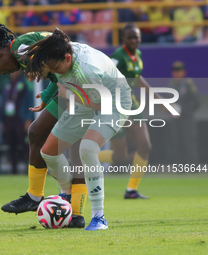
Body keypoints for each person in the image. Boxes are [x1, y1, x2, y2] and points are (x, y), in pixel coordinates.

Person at [0, 21, 88, 228]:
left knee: (74, 147)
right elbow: (56, 71)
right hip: (71, 88)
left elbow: (61, 50)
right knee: (37, 133)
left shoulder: (21, 47)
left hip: (83, 88)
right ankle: (35, 196)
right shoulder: (23, 53)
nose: (3, 73)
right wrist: (47, 94)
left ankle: (77, 213)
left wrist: (47, 91)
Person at [21, 29, 132, 230]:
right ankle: (67, 195)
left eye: (55, 68)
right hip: (83, 98)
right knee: (48, 152)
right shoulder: (61, 52)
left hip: (114, 103)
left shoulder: (88, 71)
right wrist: (51, 94)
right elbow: (67, 83)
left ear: (68, 57)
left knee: (87, 148)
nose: (54, 73)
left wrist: (67, 93)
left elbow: (102, 105)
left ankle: (99, 217)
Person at [99, 23, 160, 199]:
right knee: (119, 156)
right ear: (123, 39)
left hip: (132, 105)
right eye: (130, 37)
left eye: (136, 37)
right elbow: (105, 73)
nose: (134, 40)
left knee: (145, 145)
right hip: (115, 106)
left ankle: (131, 190)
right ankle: (83, 157)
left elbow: (136, 77)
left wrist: (157, 98)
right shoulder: (118, 56)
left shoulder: (138, 54)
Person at [167, 61, 200, 165]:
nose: (177, 73)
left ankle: (193, 166)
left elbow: (197, 103)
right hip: (175, 119)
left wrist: (185, 111)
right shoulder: (171, 85)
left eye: (179, 71)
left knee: (189, 142)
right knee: (177, 142)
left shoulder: (188, 84)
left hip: (187, 119)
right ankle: (180, 166)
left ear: (183, 72)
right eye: (175, 71)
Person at [3, 70, 34, 174]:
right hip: (9, 119)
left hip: (21, 119)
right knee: (11, 145)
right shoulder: (7, 84)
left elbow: (30, 99)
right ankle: (13, 169)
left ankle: (27, 168)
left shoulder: (25, 83)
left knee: (24, 145)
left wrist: (29, 118)